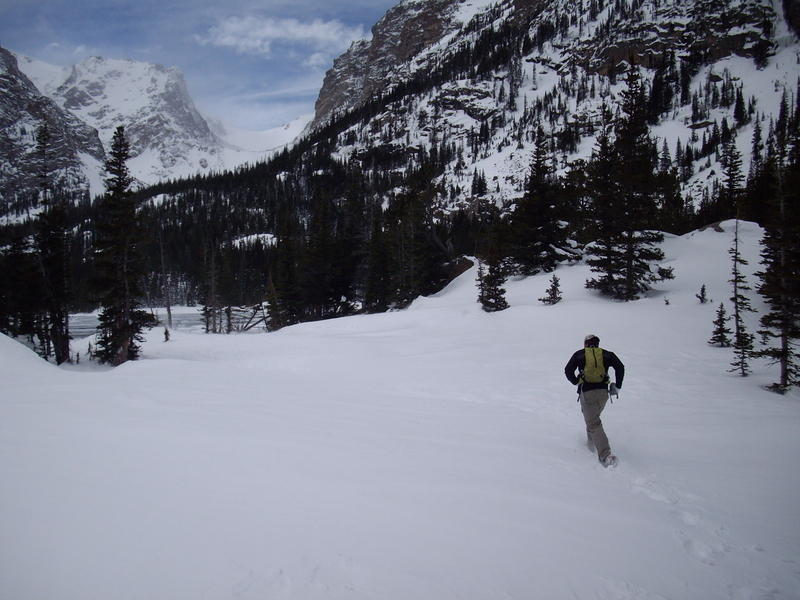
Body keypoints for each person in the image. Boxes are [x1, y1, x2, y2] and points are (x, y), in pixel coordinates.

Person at [564, 334, 625, 467]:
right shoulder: (606, 354)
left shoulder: (579, 355)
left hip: (587, 392)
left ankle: (606, 455)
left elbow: (568, 370)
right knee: (592, 419)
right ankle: (590, 445)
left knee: (593, 423)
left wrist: (576, 381)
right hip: (603, 393)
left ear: (585, 344)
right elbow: (620, 367)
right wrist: (618, 386)